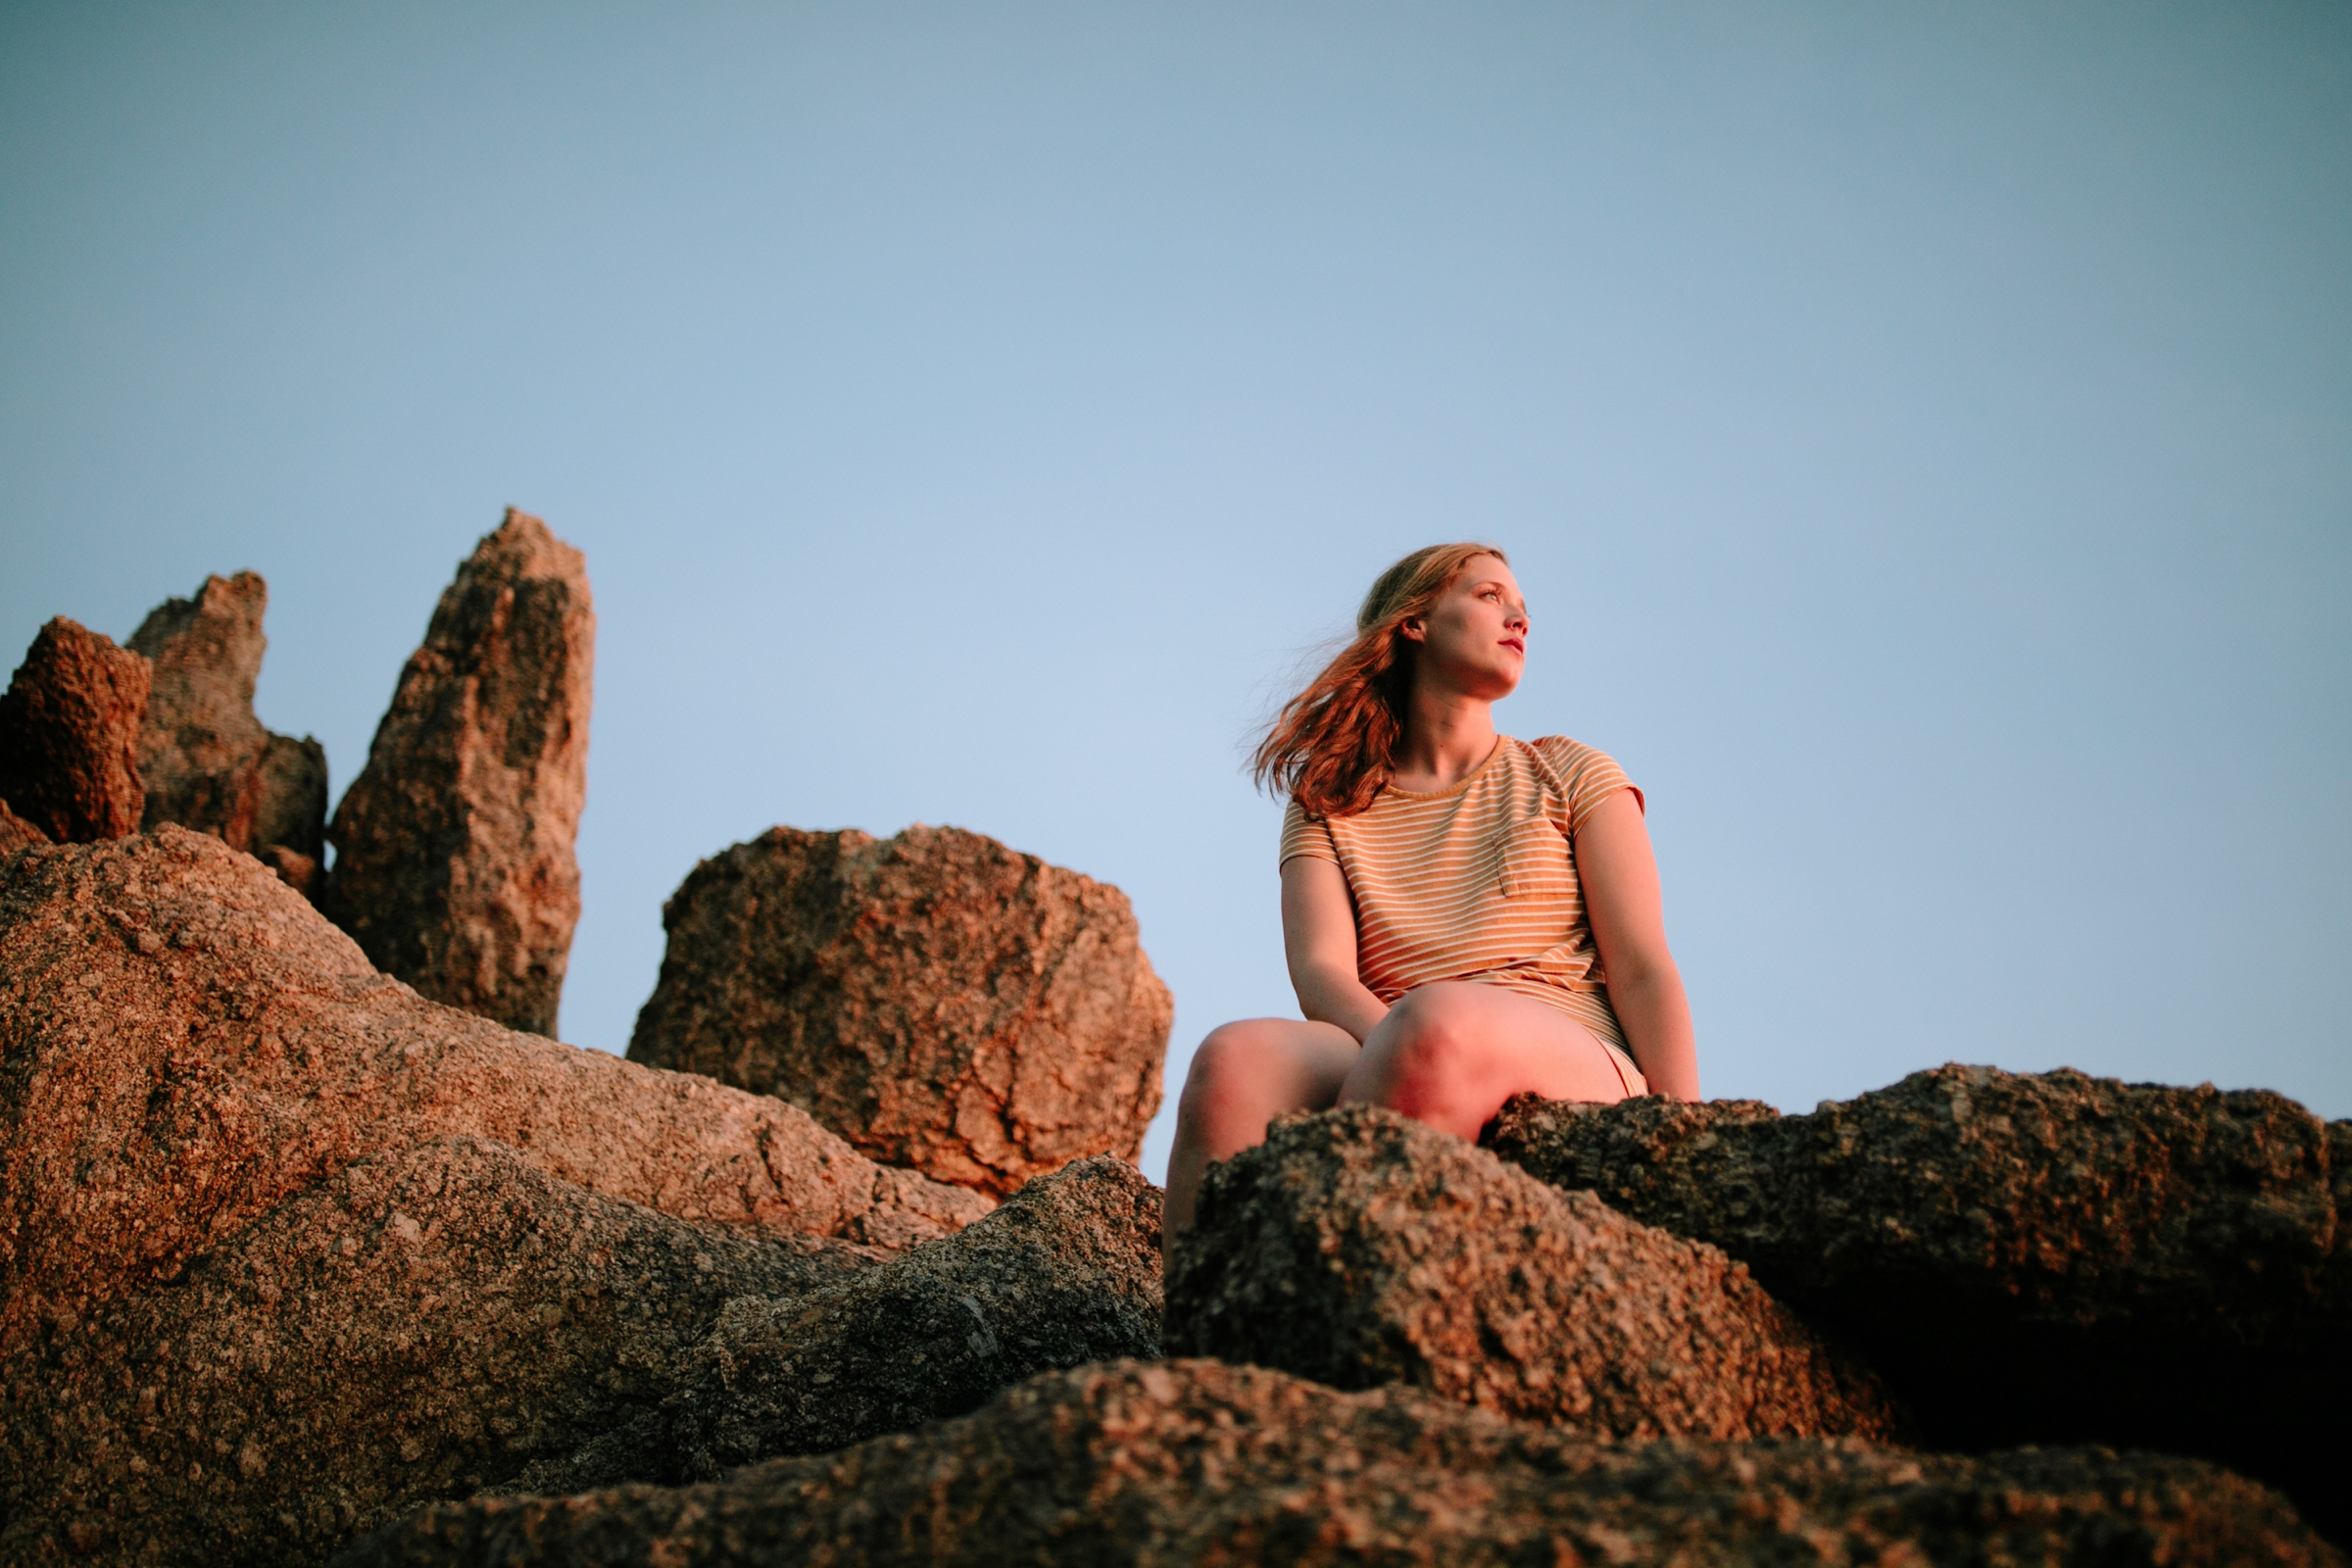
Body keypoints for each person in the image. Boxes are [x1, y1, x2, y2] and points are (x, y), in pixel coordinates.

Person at [1163, 542, 1698, 1239]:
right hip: (1394, 1038)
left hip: (1571, 1050)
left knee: (1437, 1022)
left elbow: (1642, 965)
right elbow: (1322, 973)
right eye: (1489, 596)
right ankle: (1193, 1342)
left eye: (1524, 608)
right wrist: (1398, 1042)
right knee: (1233, 1058)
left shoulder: (1572, 771)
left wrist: (1688, 1142)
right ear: (1414, 623)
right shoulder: (1329, 801)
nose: (1519, 618)